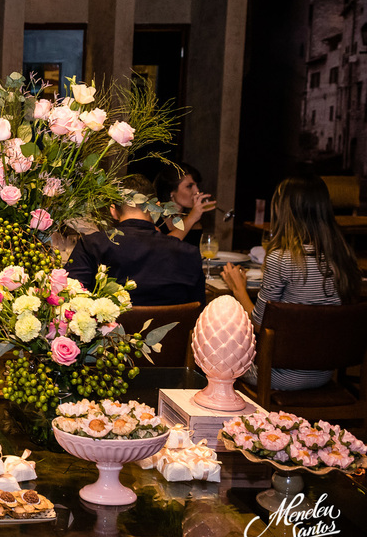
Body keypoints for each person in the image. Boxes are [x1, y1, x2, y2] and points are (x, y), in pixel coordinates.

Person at [223, 175, 362, 391]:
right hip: (324, 372)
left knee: (209, 345)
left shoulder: (281, 259)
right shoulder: (343, 257)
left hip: (276, 376)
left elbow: (259, 325)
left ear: (284, 210)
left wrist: (238, 288)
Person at [66, 174, 206, 306]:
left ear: (113, 210)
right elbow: (198, 310)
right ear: (155, 208)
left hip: (111, 325)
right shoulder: (188, 253)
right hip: (172, 325)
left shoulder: (91, 245)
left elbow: (71, 299)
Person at [155, 163, 216, 245]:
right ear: (171, 191)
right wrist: (192, 217)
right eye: (189, 186)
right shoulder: (154, 219)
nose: (197, 191)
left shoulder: (195, 224)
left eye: (197, 185)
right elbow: (163, 247)